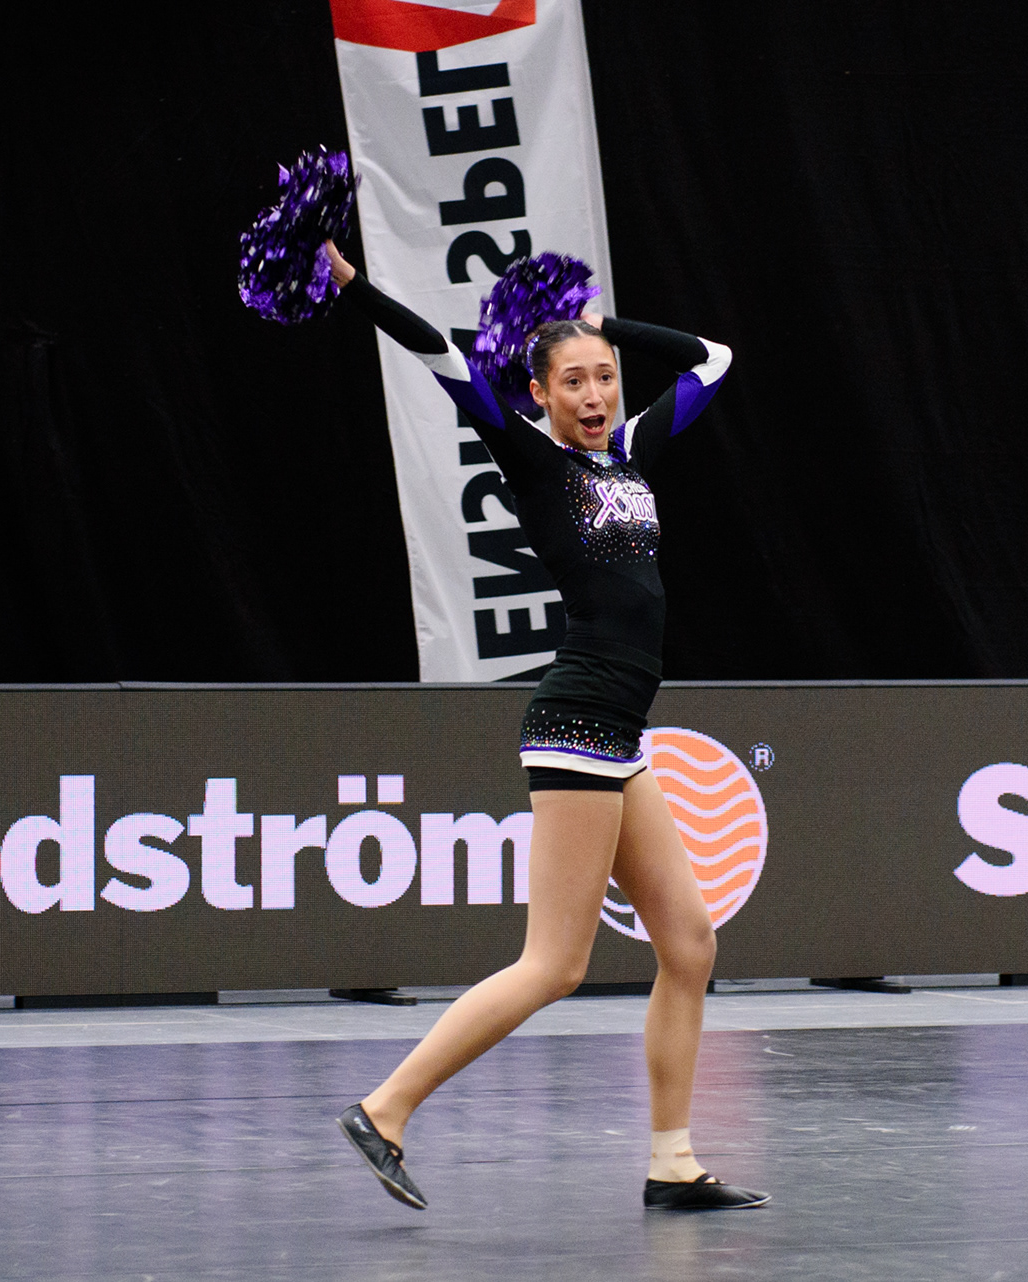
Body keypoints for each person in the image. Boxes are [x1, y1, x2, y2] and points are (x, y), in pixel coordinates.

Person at [320, 242, 767, 1213]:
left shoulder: (632, 453)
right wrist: (351, 284)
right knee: (555, 963)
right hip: (577, 723)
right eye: (574, 380)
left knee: (689, 944)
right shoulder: (532, 457)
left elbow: (715, 359)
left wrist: (607, 325)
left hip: (621, 735)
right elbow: (437, 352)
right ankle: (385, 1108)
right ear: (540, 393)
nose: (595, 393)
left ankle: (673, 1161)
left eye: (605, 375)